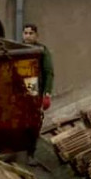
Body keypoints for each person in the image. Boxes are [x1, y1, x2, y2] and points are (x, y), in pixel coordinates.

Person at [22, 22, 53, 162]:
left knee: (34, 123)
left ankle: (30, 153)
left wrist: (47, 93)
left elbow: (48, 72)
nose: (28, 36)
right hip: (18, 90)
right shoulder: (18, 49)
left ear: (36, 35)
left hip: (34, 88)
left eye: (31, 33)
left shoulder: (42, 50)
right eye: (25, 33)